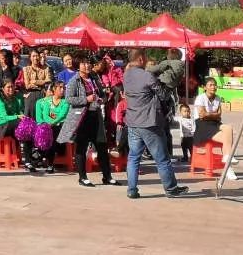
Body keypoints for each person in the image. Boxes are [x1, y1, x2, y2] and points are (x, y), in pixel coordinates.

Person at [123, 48, 188, 198]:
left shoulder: (126, 75)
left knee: (133, 157)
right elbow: (163, 95)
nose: (146, 61)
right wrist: (171, 84)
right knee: (162, 158)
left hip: (132, 122)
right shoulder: (147, 76)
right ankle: (171, 189)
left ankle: (131, 190)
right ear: (140, 59)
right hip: (149, 123)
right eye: (144, 58)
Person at [57, 54, 119, 187]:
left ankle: (107, 176)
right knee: (82, 148)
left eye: (88, 63)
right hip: (82, 117)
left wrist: (103, 98)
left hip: (95, 115)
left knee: (102, 147)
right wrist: (86, 99)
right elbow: (69, 99)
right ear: (78, 66)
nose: (87, 65)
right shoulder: (75, 81)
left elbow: (102, 93)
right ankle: (82, 177)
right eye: (84, 63)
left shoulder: (94, 78)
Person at [192, 79, 238, 178]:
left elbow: (219, 115)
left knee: (228, 128)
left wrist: (209, 114)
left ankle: (227, 158)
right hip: (202, 126)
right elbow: (202, 115)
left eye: (215, 85)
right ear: (205, 87)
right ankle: (228, 167)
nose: (213, 87)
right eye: (211, 85)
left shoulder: (218, 98)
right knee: (227, 138)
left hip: (214, 123)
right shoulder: (200, 98)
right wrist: (213, 114)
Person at [0, 81, 33, 171]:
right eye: (8, 87)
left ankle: (29, 159)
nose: (11, 89)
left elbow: (19, 112)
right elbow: (5, 117)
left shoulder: (15, 99)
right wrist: (17, 116)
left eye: (12, 87)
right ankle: (28, 161)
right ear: (3, 89)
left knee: (29, 127)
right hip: (1, 127)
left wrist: (22, 116)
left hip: (12, 124)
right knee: (24, 126)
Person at [35, 81, 69, 173]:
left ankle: (47, 161)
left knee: (52, 134)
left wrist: (52, 123)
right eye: (60, 88)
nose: (62, 90)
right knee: (46, 132)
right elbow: (45, 115)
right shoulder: (48, 101)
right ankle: (43, 157)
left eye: (64, 88)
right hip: (49, 126)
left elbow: (62, 115)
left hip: (60, 126)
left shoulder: (65, 102)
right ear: (54, 89)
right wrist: (49, 124)